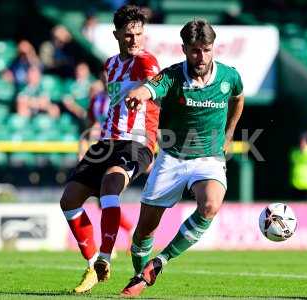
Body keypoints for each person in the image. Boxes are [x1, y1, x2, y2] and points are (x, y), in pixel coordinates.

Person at [120, 19, 244, 297]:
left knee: (210, 205)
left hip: (209, 159)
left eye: (206, 49)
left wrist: (229, 133)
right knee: (143, 232)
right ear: (184, 49)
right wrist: (139, 93)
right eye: (195, 50)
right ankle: (140, 275)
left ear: (214, 48)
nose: (201, 57)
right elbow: (152, 88)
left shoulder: (229, 77)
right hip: (171, 159)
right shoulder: (173, 76)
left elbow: (238, 98)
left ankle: (160, 261)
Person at [59, 4, 160, 294]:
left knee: (110, 185)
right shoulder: (111, 64)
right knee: (69, 200)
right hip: (106, 141)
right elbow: (111, 106)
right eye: (129, 35)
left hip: (136, 142)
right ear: (117, 34)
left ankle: (106, 255)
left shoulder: (146, 61)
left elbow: (156, 85)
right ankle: (93, 264)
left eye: (139, 34)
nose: (135, 40)